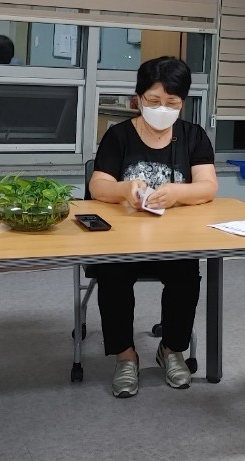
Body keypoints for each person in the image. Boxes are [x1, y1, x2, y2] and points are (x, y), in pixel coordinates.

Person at [88, 56, 218, 398]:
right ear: (139, 98)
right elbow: (98, 186)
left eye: (171, 103)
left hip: (174, 242)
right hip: (123, 242)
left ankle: (171, 349)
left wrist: (177, 193)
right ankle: (125, 356)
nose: (162, 109)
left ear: (182, 103)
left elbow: (208, 187)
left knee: (187, 274)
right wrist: (124, 189)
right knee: (112, 273)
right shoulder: (119, 136)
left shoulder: (192, 137)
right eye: (154, 100)